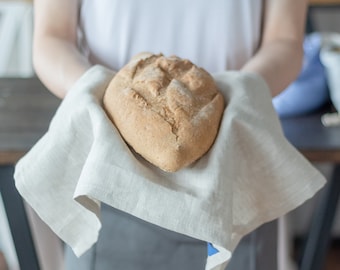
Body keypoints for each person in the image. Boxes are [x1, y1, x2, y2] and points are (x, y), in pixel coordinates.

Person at [32, 0, 308, 269]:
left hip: (233, 175)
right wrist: (104, 95)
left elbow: (285, 39)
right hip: (111, 174)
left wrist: (238, 93)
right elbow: (52, 37)